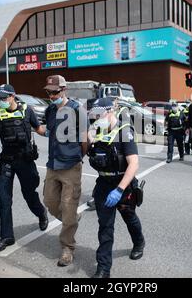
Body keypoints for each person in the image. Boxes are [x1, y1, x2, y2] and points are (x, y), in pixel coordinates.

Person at [0, 84, 48, 253]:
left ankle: (41, 214)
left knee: (29, 195)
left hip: (25, 161)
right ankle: (6, 236)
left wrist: (53, 131)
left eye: (4, 97)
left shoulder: (27, 110)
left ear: (13, 96)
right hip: (7, 161)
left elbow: (39, 129)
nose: (2, 101)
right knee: (3, 199)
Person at [87, 98, 145, 278]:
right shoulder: (97, 130)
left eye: (98, 114)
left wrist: (119, 190)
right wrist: (89, 139)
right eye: (94, 115)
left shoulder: (124, 132)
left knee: (130, 218)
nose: (96, 118)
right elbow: (93, 152)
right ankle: (103, 268)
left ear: (110, 111)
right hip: (104, 185)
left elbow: (133, 164)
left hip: (124, 185)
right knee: (105, 227)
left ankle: (139, 243)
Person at [42, 75, 88, 267]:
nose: (51, 96)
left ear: (64, 90)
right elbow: (49, 132)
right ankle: (71, 219)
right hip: (53, 165)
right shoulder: (50, 110)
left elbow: (85, 140)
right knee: (50, 202)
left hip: (70, 166)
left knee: (68, 206)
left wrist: (78, 157)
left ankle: (67, 247)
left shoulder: (78, 110)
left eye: (54, 92)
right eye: (48, 92)